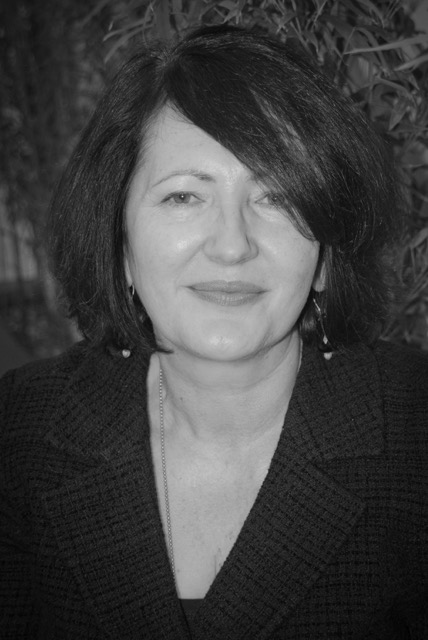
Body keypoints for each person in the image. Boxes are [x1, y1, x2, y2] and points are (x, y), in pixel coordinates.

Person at [1, 24, 427, 640]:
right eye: (183, 198)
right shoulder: (21, 431)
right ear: (119, 244)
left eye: (277, 198)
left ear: (326, 254)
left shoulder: (415, 427)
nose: (232, 246)